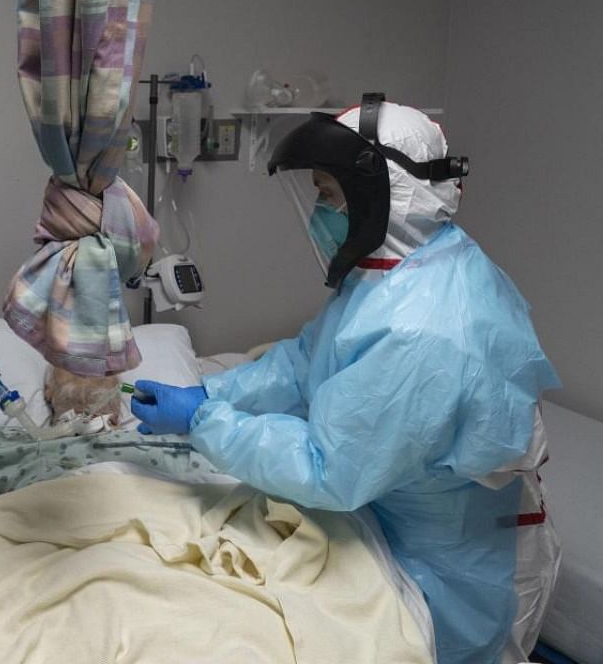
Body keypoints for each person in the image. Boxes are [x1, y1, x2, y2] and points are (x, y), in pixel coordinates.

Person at [129, 95, 560, 664]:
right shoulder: (401, 274)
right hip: (400, 522)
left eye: (328, 196)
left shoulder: (424, 330)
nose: (319, 214)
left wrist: (204, 421)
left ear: (383, 197)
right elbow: (307, 359)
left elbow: (327, 468)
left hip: (450, 577)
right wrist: (212, 392)